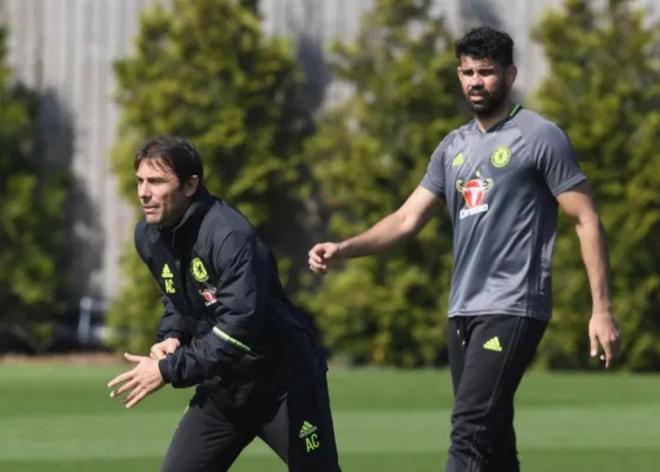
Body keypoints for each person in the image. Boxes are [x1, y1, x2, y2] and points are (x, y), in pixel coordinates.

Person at [308, 26, 620, 471]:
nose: (476, 81)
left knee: (469, 431)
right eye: (468, 72)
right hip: (462, 311)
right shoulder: (452, 147)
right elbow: (405, 220)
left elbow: (585, 218)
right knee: (493, 445)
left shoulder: (540, 136)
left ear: (510, 75)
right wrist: (343, 248)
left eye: (486, 72)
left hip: (513, 305)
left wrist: (601, 310)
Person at [108, 136, 341, 472]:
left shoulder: (230, 236)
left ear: (190, 186)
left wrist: (166, 370)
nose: (144, 192)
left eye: (156, 182)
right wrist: (172, 335)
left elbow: (237, 331)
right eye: (140, 181)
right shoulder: (148, 235)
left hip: (284, 384)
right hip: (224, 388)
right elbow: (178, 297)